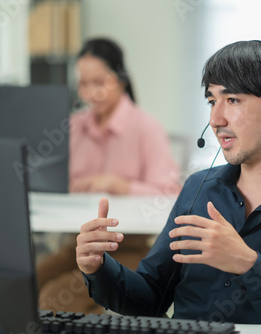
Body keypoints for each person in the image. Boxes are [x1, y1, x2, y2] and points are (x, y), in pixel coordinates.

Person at [76, 40, 261, 326]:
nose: (215, 119)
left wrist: (249, 267)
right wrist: (100, 268)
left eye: (232, 100)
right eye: (212, 101)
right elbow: (152, 297)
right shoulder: (199, 189)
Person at [37, 38, 181, 314]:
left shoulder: (145, 127)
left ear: (120, 80)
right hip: (79, 243)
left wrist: (120, 185)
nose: (90, 92)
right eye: (83, 83)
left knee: (55, 298)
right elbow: (52, 180)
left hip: (131, 247)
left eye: (99, 82)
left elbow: (171, 191)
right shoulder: (75, 126)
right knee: (28, 282)